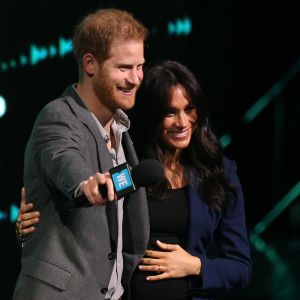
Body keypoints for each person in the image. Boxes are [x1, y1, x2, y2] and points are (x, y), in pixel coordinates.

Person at [16, 60, 252, 300]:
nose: (182, 122)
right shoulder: (129, 165)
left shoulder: (219, 172)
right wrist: (33, 223)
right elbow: (83, 208)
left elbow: (240, 267)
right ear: (152, 115)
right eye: (170, 112)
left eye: (189, 109)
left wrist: (195, 266)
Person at [13, 8, 150, 300]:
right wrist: (85, 185)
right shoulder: (58, 116)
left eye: (140, 66)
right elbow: (64, 159)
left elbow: (121, 199)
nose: (136, 78)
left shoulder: (121, 129)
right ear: (90, 64)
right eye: (124, 67)